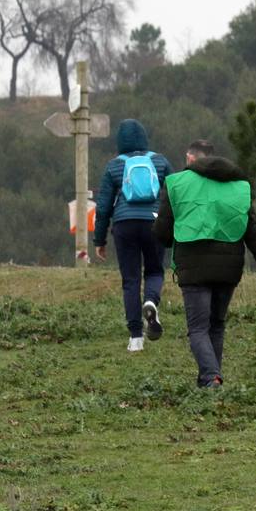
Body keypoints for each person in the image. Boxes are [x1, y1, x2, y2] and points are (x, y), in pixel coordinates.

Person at [152, 140, 256, 387]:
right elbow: (254, 231)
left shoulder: (177, 184)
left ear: (191, 160)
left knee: (198, 328)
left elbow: (163, 235)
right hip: (228, 267)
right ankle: (209, 379)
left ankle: (211, 378)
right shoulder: (239, 187)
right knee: (216, 325)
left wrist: (158, 229)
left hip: (193, 266)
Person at [93, 119, 174, 352]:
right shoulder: (160, 161)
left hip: (124, 224)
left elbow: (104, 205)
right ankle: (151, 301)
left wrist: (100, 240)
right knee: (155, 270)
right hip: (154, 221)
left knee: (130, 279)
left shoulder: (114, 166)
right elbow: (176, 194)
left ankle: (136, 337)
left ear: (120, 141)